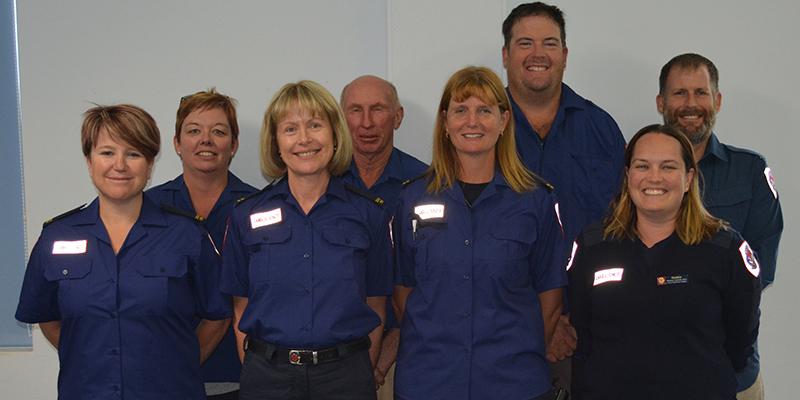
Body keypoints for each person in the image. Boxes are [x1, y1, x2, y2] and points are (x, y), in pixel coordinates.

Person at [16, 104, 232, 399]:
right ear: (90, 163)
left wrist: (178, 364)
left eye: (133, 154)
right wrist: (92, 360)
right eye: (107, 153)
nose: (120, 165)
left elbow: (218, 316)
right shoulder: (56, 237)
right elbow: (47, 317)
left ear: (150, 164)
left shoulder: (188, 234)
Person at [393, 66, 566, 400]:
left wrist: (509, 355)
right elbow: (404, 292)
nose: (472, 122)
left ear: (503, 122)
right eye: (461, 111)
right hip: (429, 383)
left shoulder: (536, 200)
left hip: (514, 384)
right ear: (445, 123)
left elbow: (550, 300)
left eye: (484, 111)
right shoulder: (412, 198)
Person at [220, 80, 393, 400]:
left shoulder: (369, 214)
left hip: (346, 378)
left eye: (315, 125)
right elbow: (240, 310)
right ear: (275, 141)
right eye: (290, 129)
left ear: (335, 134)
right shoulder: (246, 215)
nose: (304, 139)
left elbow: (376, 305)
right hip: (268, 379)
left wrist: (358, 372)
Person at [566, 124, 761, 400]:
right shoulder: (592, 246)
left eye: (668, 167)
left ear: (688, 178)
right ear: (627, 175)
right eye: (642, 166)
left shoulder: (725, 249)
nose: (654, 178)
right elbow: (584, 335)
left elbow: (740, 342)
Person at [501, 2, 627, 390]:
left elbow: (625, 228)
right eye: (525, 43)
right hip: (504, 335)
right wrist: (544, 322)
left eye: (549, 43)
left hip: (596, 332)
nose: (538, 54)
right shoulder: (480, 131)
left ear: (565, 56)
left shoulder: (602, 128)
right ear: (505, 55)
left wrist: (572, 319)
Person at [657, 54, 782, 399]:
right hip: (656, 371)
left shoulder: (750, 171)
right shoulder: (639, 174)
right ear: (661, 103)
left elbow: (760, 269)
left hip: (733, 372)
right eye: (679, 93)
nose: (691, 104)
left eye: (701, 93)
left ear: (717, 101)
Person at [147, 88, 258, 399]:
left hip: (241, 377)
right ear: (177, 144)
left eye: (218, 131)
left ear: (234, 145)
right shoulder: (147, 210)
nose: (205, 140)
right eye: (193, 130)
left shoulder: (260, 209)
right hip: (161, 379)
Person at [339, 75, 428, 397]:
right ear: (340, 117)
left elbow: (435, 284)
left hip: (409, 355)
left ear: (398, 116)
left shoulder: (426, 186)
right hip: (333, 363)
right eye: (355, 110)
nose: (366, 123)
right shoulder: (322, 184)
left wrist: (387, 349)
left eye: (377, 109)